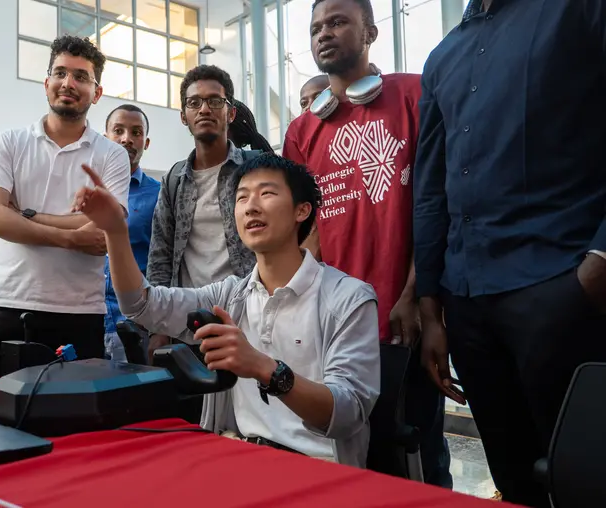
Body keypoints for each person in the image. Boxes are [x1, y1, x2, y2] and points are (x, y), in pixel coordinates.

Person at [414, 1, 606, 505]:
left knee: (588, 474)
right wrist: (431, 306)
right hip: (467, 303)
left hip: (563, 288)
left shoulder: (576, 11)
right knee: (515, 476)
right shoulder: (443, 56)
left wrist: (600, 263)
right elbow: (432, 187)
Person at [73, 153, 380, 466]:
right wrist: (115, 231)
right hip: (239, 458)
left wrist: (265, 368)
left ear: (302, 210)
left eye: (267, 193)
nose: (251, 206)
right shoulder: (231, 295)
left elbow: (347, 413)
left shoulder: (349, 299)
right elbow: (141, 304)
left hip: (320, 470)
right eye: (242, 197)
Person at [283, 0, 451, 488]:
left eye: (338, 22)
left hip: (404, 319)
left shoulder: (415, 94)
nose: (324, 34)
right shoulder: (302, 130)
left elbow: (436, 204)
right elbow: (306, 234)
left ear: (371, 32)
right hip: (336, 328)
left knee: (416, 460)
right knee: (350, 464)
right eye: (316, 27)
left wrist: (420, 298)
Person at [0, 34, 130, 378]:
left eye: (81, 76)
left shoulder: (112, 156)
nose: (68, 83)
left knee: (73, 424)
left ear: (97, 92)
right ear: (46, 83)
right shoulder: (10, 143)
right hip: (7, 305)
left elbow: (105, 233)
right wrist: (71, 237)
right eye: (60, 73)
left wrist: (22, 216)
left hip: (78, 313)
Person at [147, 65, 267, 358]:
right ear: (183, 116)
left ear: (230, 113)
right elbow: (160, 253)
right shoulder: (174, 178)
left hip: (250, 317)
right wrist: (158, 326)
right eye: (194, 102)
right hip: (191, 322)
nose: (204, 109)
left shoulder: (256, 167)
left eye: (215, 101)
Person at [101, 104, 161, 362]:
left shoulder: (159, 195)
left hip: (134, 326)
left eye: (136, 132)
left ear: (145, 142)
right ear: (105, 138)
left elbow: (163, 264)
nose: (127, 138)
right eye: (118, 130)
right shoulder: (85, 190)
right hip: (83, 320)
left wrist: (160, 328)